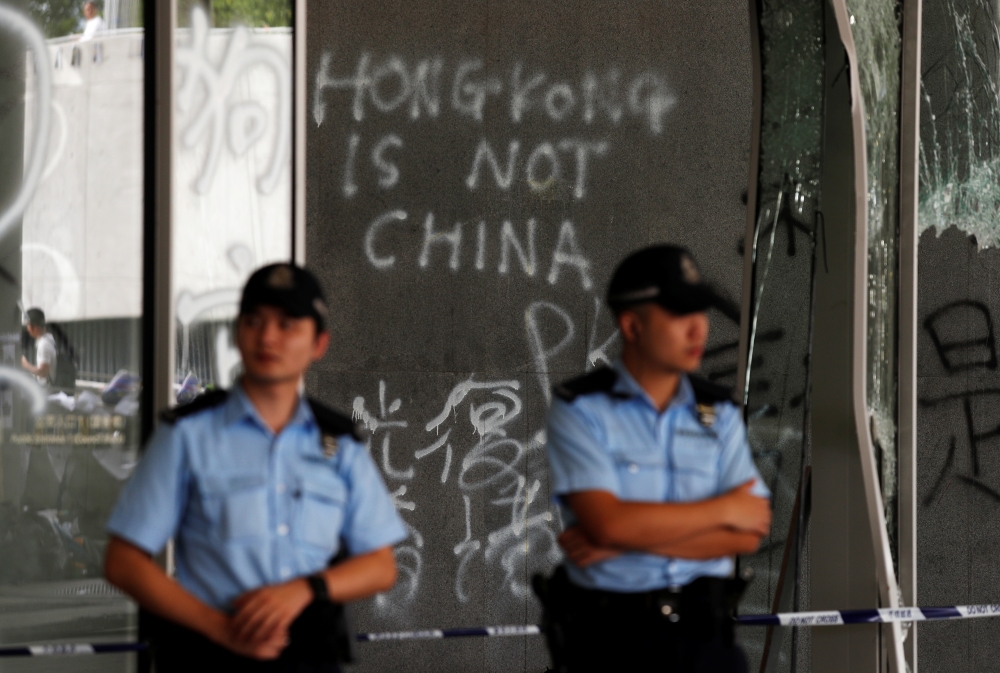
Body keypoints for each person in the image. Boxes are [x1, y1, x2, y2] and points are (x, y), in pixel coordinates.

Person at [104, 263, 407, 672]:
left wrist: (305, 589)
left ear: (319, 344)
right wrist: (219, 627)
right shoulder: (187, 435)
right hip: (210, 655)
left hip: (309, 656)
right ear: (236, 334)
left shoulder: (340, 444)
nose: (267, 337)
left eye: (287, 324)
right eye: (254, 321)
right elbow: (123, 561)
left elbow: (380, 565)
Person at [538, 245, 773, 673]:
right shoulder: (582, 409)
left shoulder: (717, 412)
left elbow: (749, 533)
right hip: (612, 644)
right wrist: (723, 509)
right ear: (632, 325)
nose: (698, 329)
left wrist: (625, 537)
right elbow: (607, 523)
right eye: (680, 313)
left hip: (707, 640)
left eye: (700, 312)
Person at [20, 308, 57, 387]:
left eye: (28, 325)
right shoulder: (48, 340)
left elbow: (43, 372)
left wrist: (25, 364)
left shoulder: (44, 344)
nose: (27, 329)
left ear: (35, 327)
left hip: (46, 392)